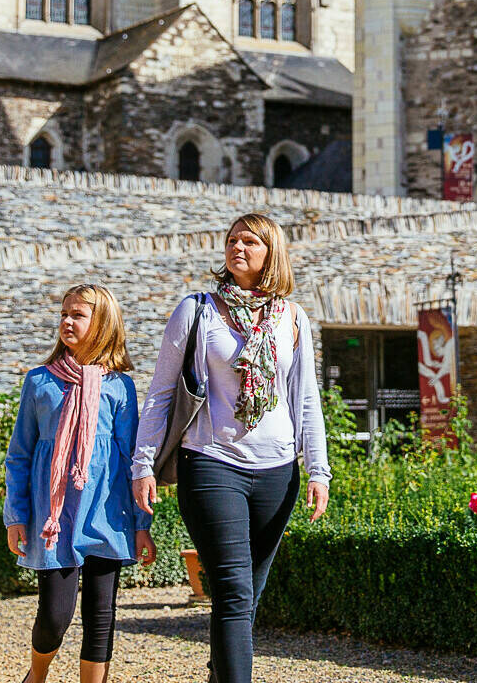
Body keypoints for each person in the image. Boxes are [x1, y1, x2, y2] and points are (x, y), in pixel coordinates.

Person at [132, 213, 331, 683]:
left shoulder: (293, 318)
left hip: (278, 471)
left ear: (271, 253)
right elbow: (161, 392)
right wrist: (143, 464)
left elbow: (306, 398)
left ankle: (219, 674)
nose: (237, 247)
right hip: (212, 464)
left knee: (246, 596)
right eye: (232, 240)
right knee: (234, 593)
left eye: (250, 241)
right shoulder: (196, 311)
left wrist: (318, 469)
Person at [4, 283, 156, 683]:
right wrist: (15, 515)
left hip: (107, 513)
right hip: (54, 519)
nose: (67, 322)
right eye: (63, 315)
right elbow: (19, 454)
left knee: (101, 616)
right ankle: (37, 675)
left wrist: (142, 527)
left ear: (102, 323)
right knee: (55, 616)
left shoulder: (119, 386)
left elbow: (131, 462)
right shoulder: (40, 382)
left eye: (77, 315)